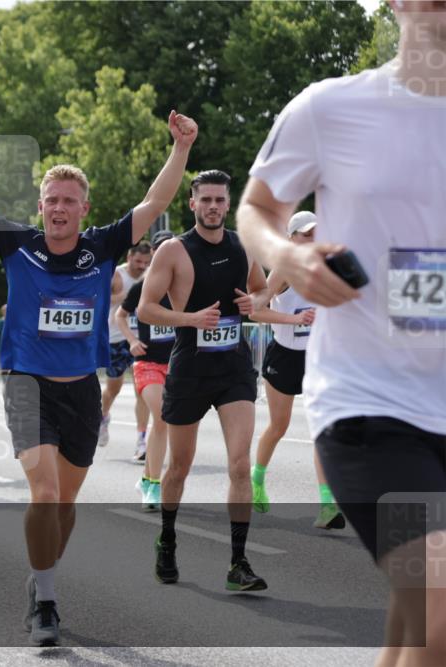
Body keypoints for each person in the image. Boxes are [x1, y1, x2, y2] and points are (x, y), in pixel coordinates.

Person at [0, 110, 196, 646]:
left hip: (81, 391)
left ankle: (39, 576)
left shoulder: (102, 247)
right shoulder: (18, 243)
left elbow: (155, 204)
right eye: (52, 200)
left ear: (83, 209)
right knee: (43, 494)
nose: (60, 208)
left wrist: (180, 149)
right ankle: (46, 601)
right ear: (40, 206)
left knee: (64, 506)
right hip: (26, 384)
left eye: (70, 201)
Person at [236, 3, 445, 662]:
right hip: (372, 406)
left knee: (416, 621)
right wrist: (288, 256)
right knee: (436, 603)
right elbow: (259, 208)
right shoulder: (331, 109)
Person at [138, 169, 269, 592]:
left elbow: (262, 293)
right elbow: (146, 309)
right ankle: (168, 539)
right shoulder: (174, 251)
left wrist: (257, 301)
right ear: (192, 204)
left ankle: (238, 562)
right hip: (190, 369)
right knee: (179, 467)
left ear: (228, 204)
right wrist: (190, 319)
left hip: (233, 370)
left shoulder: (243, 246)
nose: (213, 206)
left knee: (238, 465)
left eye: (220, 200)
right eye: (205, 200)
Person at [247, 212, 344, 530]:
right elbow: (257, 311)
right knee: (279, 425)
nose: (311, 240)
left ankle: (328, 506)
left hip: (316, 358)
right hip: (284, 356)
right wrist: (294, 319)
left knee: (323, 431)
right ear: (291, 239)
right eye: (305, 235)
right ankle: (257, 480)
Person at [116, 230, 176, 511]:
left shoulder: (185, 285)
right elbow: (120, 315)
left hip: (177, 364)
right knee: (161, 417)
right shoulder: (143, 286)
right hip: (148, 363)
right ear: (154, 253)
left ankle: (146, 479)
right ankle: (152, 485)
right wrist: (131, 340)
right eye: (162, 249)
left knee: (170, 425)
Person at [100, 242, 153, 458]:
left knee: (143, 390)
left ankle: (141, 441)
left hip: (140, 338)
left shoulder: (151, 274)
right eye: (138, 262)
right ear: (129, 257)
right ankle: (103, 416)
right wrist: (127, 296)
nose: (142, 266)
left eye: (146, 263)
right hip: (116, 338)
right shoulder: (116, 275)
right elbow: (98, 301)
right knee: (114, 388)